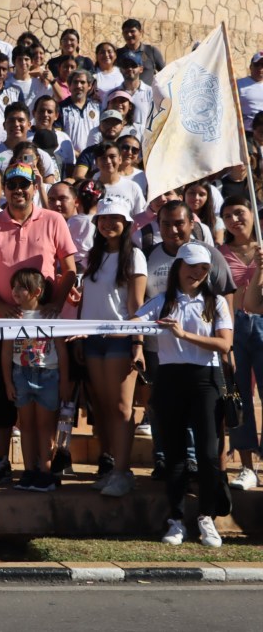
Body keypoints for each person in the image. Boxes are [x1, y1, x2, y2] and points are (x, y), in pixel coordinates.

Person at [0, 162, 77, 487]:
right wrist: (0, 305)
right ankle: (3, 461)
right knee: (2, 396)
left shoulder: (53, 220)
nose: (18, 191)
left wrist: (56, 305)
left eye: (24, 185)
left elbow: (69, 268)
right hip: (1, 323)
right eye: (12, 185)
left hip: (42, 327)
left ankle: (42, 468)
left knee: (43, 403)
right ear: (5, 189)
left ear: (34, 188)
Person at [136, 242, 232, 548]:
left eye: (203, 268)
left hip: (206, 380)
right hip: (170, 379)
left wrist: (184, 335)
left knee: (206, 453)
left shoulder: (215, 302)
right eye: (191, 266)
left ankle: (206, 517)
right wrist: (89, 328)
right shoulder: (163, 300)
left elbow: (224, 345)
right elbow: (132, 323)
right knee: (174, 455)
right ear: (178, 266)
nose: (197, 273)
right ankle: (176, 519)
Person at [76, 198, 147, 497]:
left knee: (121, 407)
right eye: (103, 218)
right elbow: (83, 300)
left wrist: (138, 343)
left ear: (127, 223)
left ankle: (122, 471)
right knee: (104, 408)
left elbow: (136, 305)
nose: (108, 223)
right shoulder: (92, 256)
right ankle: (113, 469)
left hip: (120, 339)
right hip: (92, 339)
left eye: (115, 218)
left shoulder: (136, 257)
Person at [1, 268, 70, 492]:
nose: (15, 291)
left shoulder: (50, 316)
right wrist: (8, 382)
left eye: (21, 287)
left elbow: (62, 351)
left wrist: (64, 382)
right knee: (26, 426)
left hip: (48, 375)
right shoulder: (12, 317)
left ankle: (46, 472)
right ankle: (29, 471)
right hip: (21, 374)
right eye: (14, 286)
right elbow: (6, 352)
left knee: (45, 428)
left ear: (36, 292)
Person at [220, 196, 263, 490]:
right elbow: (222, 298)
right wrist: (228, 341)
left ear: (252, 213)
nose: (235, 220)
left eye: (239, 212)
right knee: (240, 399)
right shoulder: (221, 254)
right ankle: (247, 467)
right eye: (227, 216)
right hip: (235, 326)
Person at [58, 69, 99, 154]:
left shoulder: (97, 107)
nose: (79, 86)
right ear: (69, 86)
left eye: (82, 82)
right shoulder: (60, 108)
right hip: (69, 158)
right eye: (75, 82)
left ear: (89, 86)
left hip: (93, 158)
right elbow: (58, 135)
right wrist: (73, 152)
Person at [117, 19, 166, 85]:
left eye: (132, 31)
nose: (129, 35)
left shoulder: (151, 51)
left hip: (148, 94)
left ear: (141, 32)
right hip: (124, 94)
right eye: (126, 32)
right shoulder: (118, 54)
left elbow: (165, 74)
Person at [237, 53, 263, 127]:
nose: (260, 69)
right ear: (251, 67)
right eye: (257, 65)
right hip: (246, 134)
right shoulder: (238, 84)